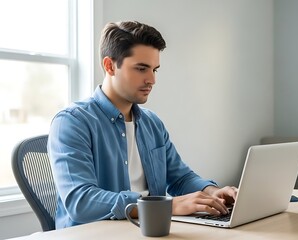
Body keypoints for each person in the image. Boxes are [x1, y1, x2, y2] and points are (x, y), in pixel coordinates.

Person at [47, 20, 237, 229]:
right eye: (141, 68)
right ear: (109, 66)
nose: (152, 80)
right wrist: (165, 206)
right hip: (94, 233)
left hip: (150, 229)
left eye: (154, 70)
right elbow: (81, 201)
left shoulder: (151, 123)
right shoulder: (72, 122)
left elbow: (179, 178)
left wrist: (212, 192)